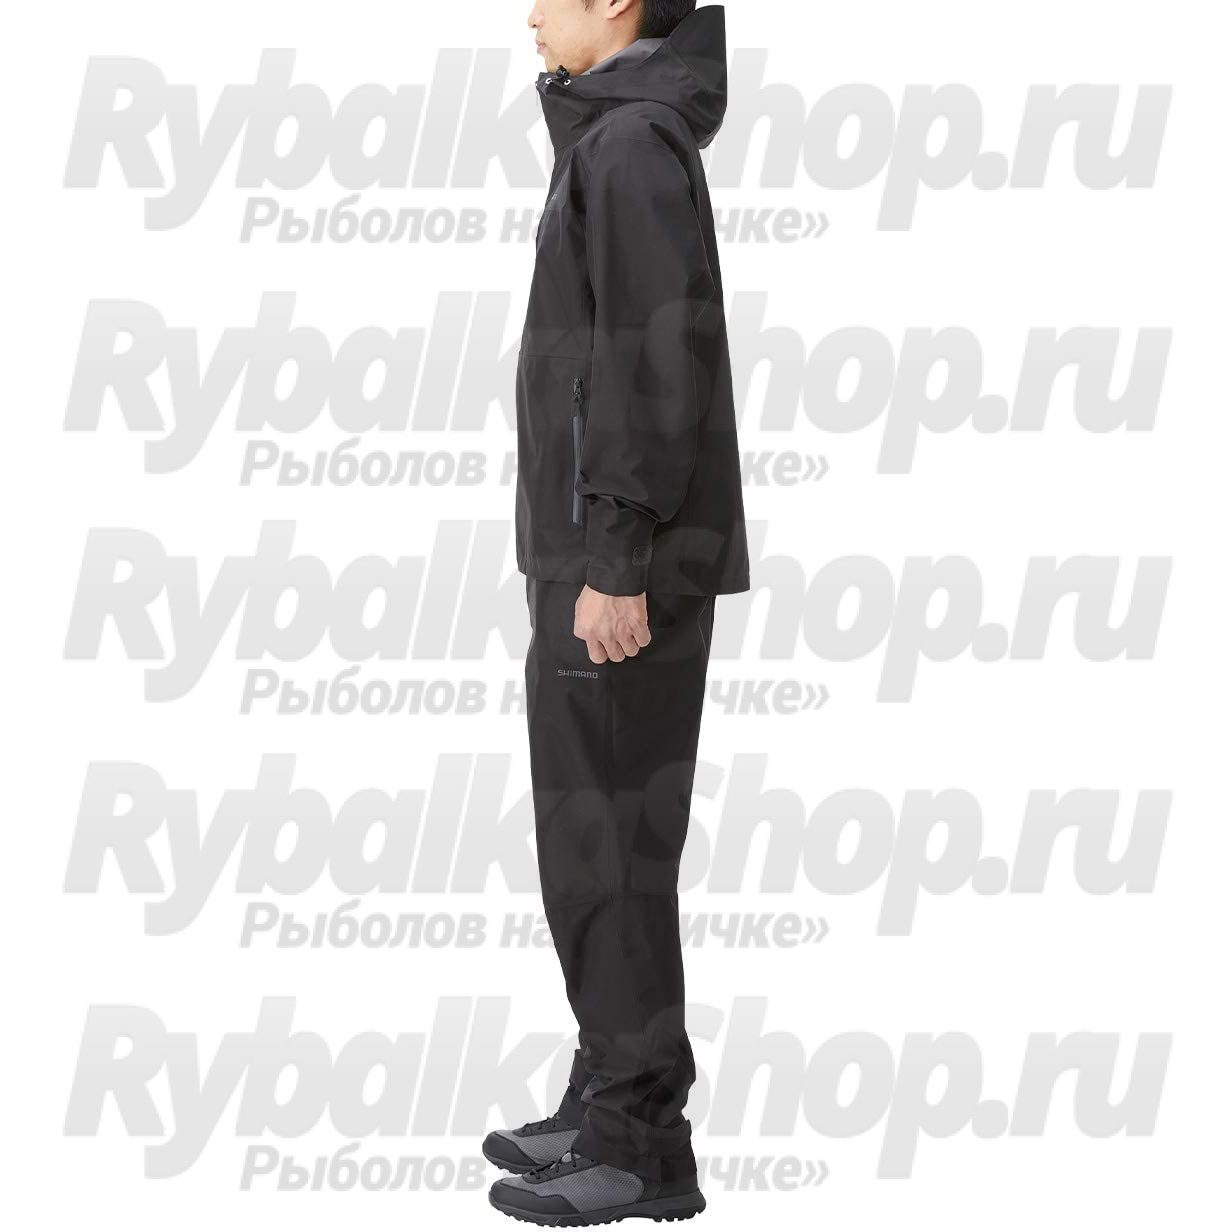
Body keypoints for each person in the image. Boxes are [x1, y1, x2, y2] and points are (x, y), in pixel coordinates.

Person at [485, 2, 749, 1223]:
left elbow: (650, 365)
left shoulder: (632, 143)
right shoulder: (610, 135)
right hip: (594, 554)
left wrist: (616, 557)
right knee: (585, 840)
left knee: (611, 843)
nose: (528, 11)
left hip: (617, 566)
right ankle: (606, 1089)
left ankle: (640, 1139)